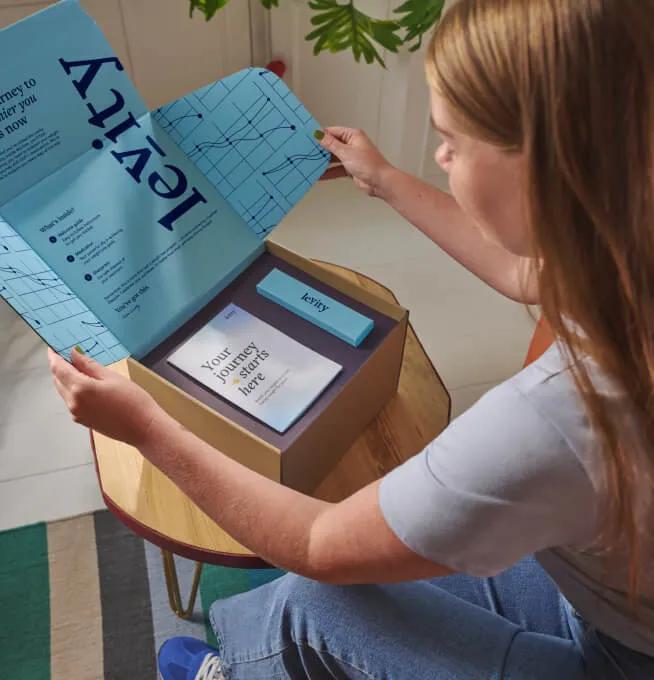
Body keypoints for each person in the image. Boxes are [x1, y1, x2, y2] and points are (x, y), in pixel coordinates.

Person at [48, 0, 654, 677]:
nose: (440, 156)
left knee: (322, 599)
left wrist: (146, 429)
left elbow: (317, 541)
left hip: (621, 658)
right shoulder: (627, 244)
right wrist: (387, 182)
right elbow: (527, 274)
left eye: (451, 140)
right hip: (619, 597)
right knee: (375, 585)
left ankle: (236, 669)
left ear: (549, 166)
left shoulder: (556, 418)